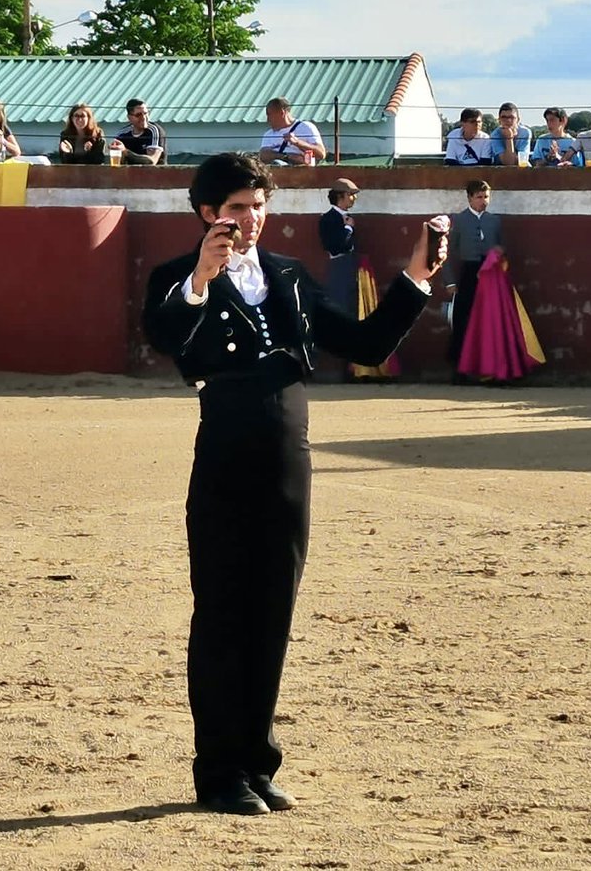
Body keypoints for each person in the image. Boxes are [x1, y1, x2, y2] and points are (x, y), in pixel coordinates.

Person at [142, 152, 442, 816]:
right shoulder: (177, 279)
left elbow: (364, 345)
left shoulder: (288, 276)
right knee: (221, 611)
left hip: (288, 458)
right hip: (223, 451)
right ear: (206, 213)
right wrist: (201, 276)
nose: (252, 220)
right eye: (238, 209)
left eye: (259, 207)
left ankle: (257, 762)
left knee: (273, 609)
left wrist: (416, 278)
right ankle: (218, 772)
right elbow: (167, 340)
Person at [446, 180, 502, 371]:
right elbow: (446, 252)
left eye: (486, 197)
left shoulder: (494, 221)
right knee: (463, 321)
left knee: (491, 320)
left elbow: (500, 249)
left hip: (490, 275)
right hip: (468, 273)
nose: (483, 201)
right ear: (469, 198)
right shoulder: (459, 220)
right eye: (479, 197)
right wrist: (450, 281)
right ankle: (461, 369)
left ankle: (492, 368)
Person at [318, 177, 361, 319]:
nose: (354, 198)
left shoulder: (347, 217)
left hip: (350, 262)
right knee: (341, 301)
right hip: (339, 263)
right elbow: (334, 247)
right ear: (339, 196)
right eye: (350, 194)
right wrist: (348, 228)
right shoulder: (328, 219)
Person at [258, 97, 326, 166]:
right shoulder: (269, 134)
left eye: (269, 115)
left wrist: (298, 142)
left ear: (282, 113)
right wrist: (287, 156)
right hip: (277, 168)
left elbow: (321, 154)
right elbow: (263, 155)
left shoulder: (306, 127)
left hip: (303, 169)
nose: (267, 120)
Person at [112, 99, 167, 165]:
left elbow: (152, 161)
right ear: (129, 117)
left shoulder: (154, 130)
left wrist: (126, 152)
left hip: (154, 174)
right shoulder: (123, 133)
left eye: (145, 113)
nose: (144, 118)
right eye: (138, 115)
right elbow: (118, 162)